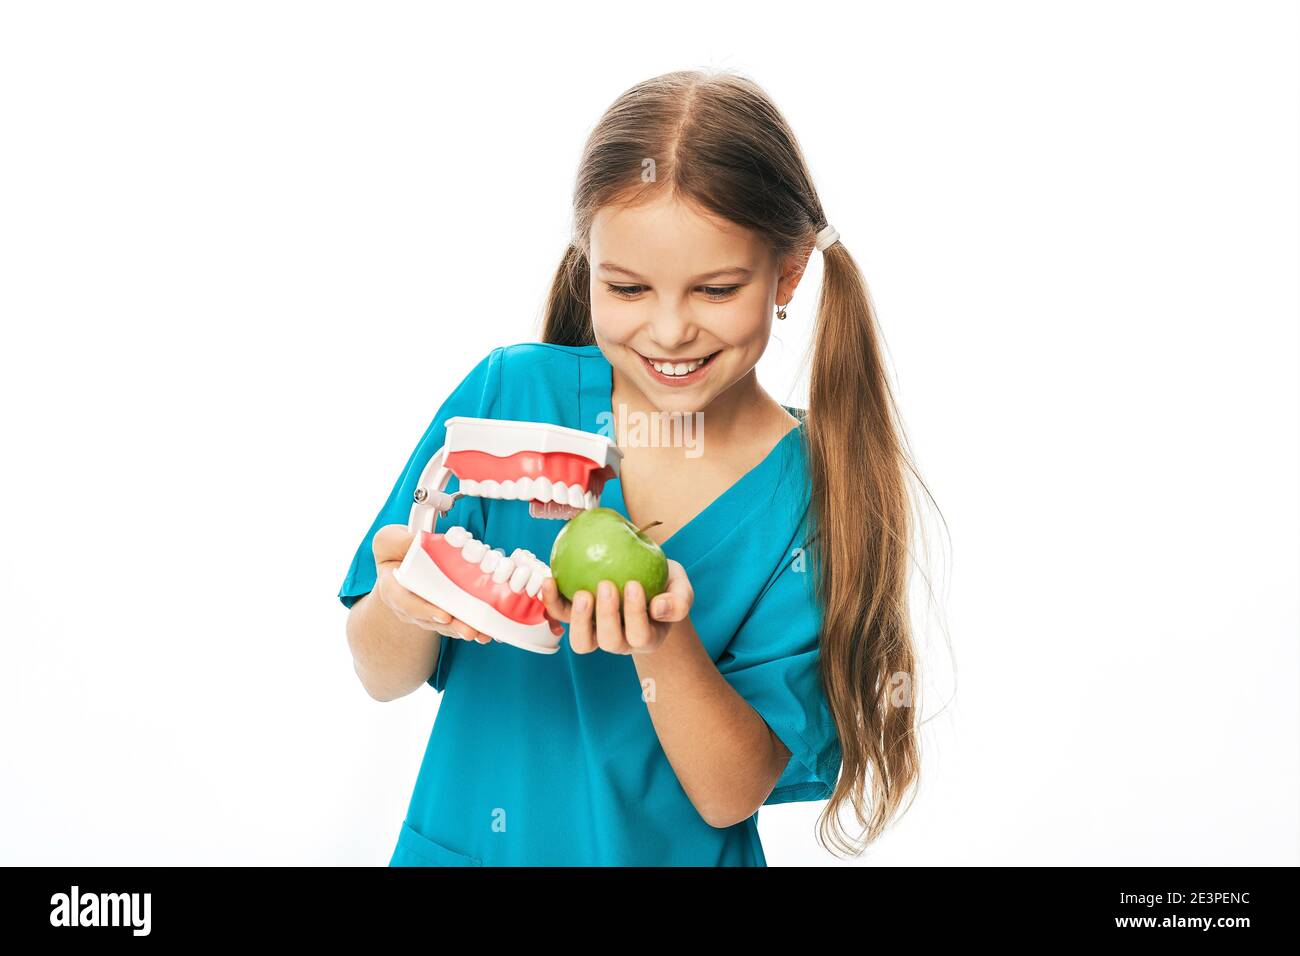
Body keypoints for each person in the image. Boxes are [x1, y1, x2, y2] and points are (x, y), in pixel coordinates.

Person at [339, 69, 926, 865]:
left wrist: (663, 643)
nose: (671, 329)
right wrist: (404, 604)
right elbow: (381, 675)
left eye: (716, 290)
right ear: (590, 266)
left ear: (787, 275)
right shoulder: (509, 397)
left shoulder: (815, 492)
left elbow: (731, 790)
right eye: (628, 287)